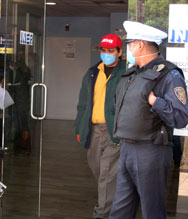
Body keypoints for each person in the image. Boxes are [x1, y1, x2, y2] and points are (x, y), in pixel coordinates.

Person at [110, 21, 188, 219]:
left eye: (130, 43)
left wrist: (155, 101)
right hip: (127, 147)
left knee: (152, 211)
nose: (128, 47)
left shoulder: (169, 75)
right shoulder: (133, 74)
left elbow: (180, 118)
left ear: (140, 45)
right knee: (120, 210)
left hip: (151, 151)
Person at [75, 34, 126, 219]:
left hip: (113, 130)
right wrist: (79, 128)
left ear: (120, 52)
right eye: (103, 51)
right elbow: (82, 104)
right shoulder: (92, 72)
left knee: (107, 175)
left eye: (110, 51)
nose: (106, 54)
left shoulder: (127, 72)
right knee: (98, 171)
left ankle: (102, 214)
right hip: (93, 130)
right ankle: (118, 203)